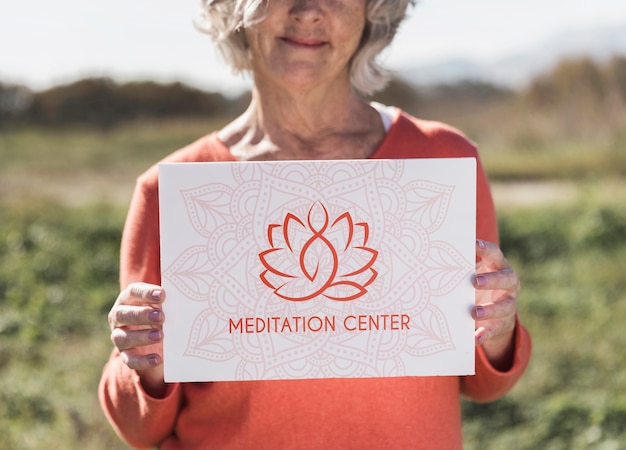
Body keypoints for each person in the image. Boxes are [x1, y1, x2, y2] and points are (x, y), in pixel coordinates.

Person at [99, 1, 532, 448]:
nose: (308, 11)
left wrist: (497, 328)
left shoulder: (442, 161)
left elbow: (486, 384)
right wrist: (146, 361)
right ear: (232, 9)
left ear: (373, 13)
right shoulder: (172, 190)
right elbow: (138, 428)